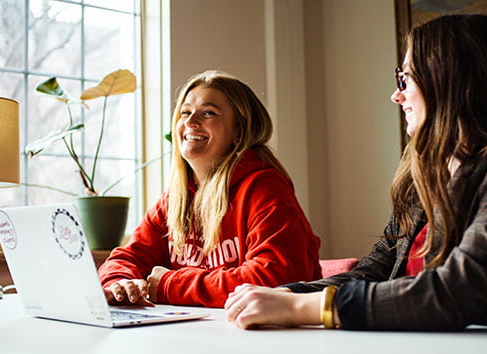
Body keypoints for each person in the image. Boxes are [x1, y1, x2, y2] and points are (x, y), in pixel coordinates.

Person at [225, 14, 487, 331]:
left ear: (448, 79)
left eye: (405, 79)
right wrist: (283, 294)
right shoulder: (425, 172)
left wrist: (302, 306)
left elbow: (460, 290)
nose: (396, 95)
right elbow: (373, 271)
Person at [98, 70, 321, 308]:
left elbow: (274, 279)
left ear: (239, 131)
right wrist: (120, 283)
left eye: (208, 113)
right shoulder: (176, 199)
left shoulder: (265, 188)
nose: (191, 122)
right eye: (185, 112)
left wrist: (169, 285)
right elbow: (128, 257)